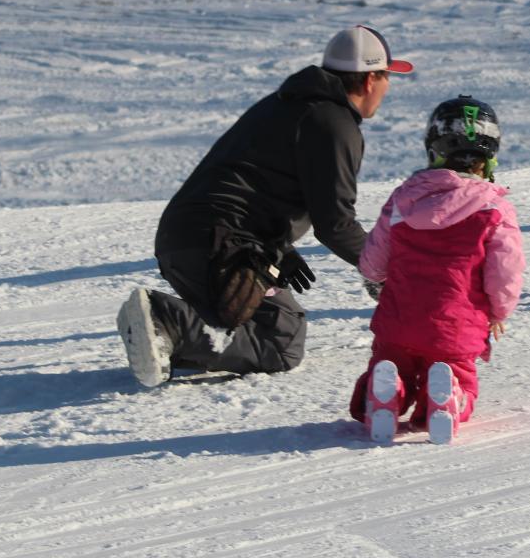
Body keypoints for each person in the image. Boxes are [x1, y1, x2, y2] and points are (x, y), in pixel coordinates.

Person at [115, 25, 413, 388]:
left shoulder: (286, 104)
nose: (387, 87)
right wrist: (389, 270)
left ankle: (165, 333)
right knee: (280, 342)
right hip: (218, 244)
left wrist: (280, 248)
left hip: (189, 239)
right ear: (369, 80)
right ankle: (168, 319)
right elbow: (335, 224)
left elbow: (253, 181)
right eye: (387, 77)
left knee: (275, 322)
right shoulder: (334, 123)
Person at [348, 96, 524, 444]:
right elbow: (505, 271)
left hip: (398, 321)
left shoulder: (403, 200)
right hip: (455, 327)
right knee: (455, 374)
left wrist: (377, 280)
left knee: (390, 362)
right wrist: (499, 311)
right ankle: (449, 397)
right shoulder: (495, 208)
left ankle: (387, 394)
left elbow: (372, 261)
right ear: (489, 157)